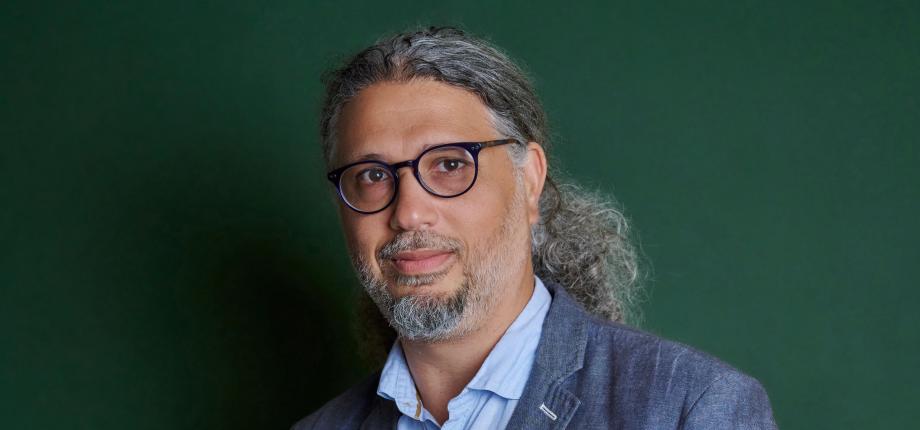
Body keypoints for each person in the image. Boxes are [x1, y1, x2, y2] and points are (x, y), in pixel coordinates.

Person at [292, 26, 776, 429]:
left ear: (529, 181)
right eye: (372, 176)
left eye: (450, 165)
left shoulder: (692, 408)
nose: (409, 213)